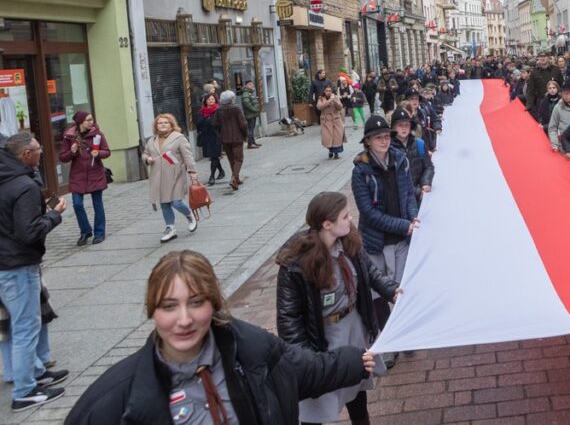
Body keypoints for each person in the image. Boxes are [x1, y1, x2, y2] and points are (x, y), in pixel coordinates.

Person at [67, 249, 375, 423]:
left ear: (214, 303)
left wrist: (357, 359)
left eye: (196, 302)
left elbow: (308, 369)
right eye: (169, 306)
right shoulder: (113, 401)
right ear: (153, 311)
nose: (184, 320)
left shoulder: (254, 352)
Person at [276, 192, 399, 425]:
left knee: (357, 384)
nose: (350, 219)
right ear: (327, 224)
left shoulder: (349, 241)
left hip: (354, 327)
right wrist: (305, 359)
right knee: (316, 401)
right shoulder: (297, 264)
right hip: (322, 338)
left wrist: (392, 290)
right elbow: (288, 318)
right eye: (345, 216)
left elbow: (369, 272)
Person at [0, 133, 68, 410]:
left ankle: (35, 374)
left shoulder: (6, 178)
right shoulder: (23, 185)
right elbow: (28, 232)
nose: (42, 153)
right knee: (25, 326)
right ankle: (24, 391)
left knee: (19, 325)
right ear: (26, 154)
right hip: (17, 264)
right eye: (39, 149)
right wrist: (54, 215)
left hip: (7, 261)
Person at [350, 115, 419, 369]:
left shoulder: (400, 160)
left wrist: (413, 217)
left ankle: (406, 335)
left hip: (400, 240)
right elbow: (368, 213)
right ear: (368, 141)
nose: (384, 141)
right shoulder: (360, 171)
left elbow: (409, 193)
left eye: (387, 136)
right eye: (378, 137)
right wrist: (403, 225)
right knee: (379, 294)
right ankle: (389, 343)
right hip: (375, 242)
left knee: (401, 291)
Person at [142, 114, 199, 243]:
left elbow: (188, 156)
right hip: (158, 176)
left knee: (176, 202)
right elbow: (145, 153)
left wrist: (192, 171)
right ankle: (170, 228)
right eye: (159, 123)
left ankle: (189, 215)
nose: (162, 125)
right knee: (164, 203)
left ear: (171, 125)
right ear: (156, 126)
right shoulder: (152, 140)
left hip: (175, 174)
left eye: (165, 123)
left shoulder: (179, 138)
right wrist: (147, 159)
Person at [58, 111, 109, 246]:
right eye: (87, 120)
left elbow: (107, 151)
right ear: (80, 122)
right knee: (77, 204)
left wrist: (98, 153)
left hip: (95, 173)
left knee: (98, 205)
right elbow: (62, 157)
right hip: (77, 175)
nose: (91, 122)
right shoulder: (69, 137)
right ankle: (85, 231)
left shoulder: (97, 135)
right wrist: (72, 152)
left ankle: (99, 233)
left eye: (91, 119)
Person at [391, 109, 434, 203]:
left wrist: (425, 182)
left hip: (420, 194)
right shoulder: (389, 149)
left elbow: (428, 166)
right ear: (393, 127)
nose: (404, 128)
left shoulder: (419, 143)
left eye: (406, 125)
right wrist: (417, 191)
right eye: (400, 125)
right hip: (400, 198)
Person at [214, 90, 248, 191]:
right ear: (231, 99)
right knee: (239, 158)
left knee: (231, 159)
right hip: (237, 137)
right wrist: (245, 133)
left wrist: (220, 133)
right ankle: (234, 178)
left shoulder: (219, 110)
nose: (234, 99)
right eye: (233, 98)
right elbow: (243, 123)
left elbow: (215, 124)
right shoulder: (236, 108)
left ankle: (236, 178)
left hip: (225, 138)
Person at [196, 93, 225, 187]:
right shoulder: (201, 111)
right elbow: (198, 124)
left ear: (215, 100)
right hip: (206, 137)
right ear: (205, 101)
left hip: (216, 136)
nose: (210, 101)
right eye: (209, 99)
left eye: (212, 99)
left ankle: (211, 176)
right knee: (213, 156)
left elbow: (222, 124)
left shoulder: (218, 110)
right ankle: (221, 171)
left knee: (214, 156)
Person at [525, 53, 564, 120]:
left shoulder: (556, 70)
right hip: (541, 102)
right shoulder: (534, 72)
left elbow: (562, 85)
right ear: (538, 59)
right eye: (540, 56)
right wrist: (529, 105)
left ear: (548, 58)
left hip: (556, 102)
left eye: (544, 56)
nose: (542, 58)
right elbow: (530, 90)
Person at [547, 82, 570, 152]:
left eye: (568, 93)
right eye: (563, 93)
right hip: (565, 148)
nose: (565, 96)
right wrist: (555, 144)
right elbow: (552, 128)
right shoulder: (558, 107)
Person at [317, 86, 346, 160]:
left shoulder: (335, 97)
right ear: (324, 91)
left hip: (336, 119)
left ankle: (336, 153)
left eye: (330, 91)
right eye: (327, 90)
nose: (328, 92)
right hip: (326, 120)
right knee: (328, 137)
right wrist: (330, 100)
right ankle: (330, 151)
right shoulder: (321, 98)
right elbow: (319, 107)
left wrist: (335, 100)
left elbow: (340, 107)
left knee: (337, 137)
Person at [240, 80, 261, 150]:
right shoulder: (246, 93)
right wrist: (254, 109)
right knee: (250, 129)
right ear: (246, 86)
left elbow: (249, 101)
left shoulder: (249, 93)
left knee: (252, 128)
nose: (252, 86)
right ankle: (250, 144)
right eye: (250, 84)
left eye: (252, 84)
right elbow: (246, 103)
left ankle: (253, 142)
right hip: (250, 114)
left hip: (252, 114)